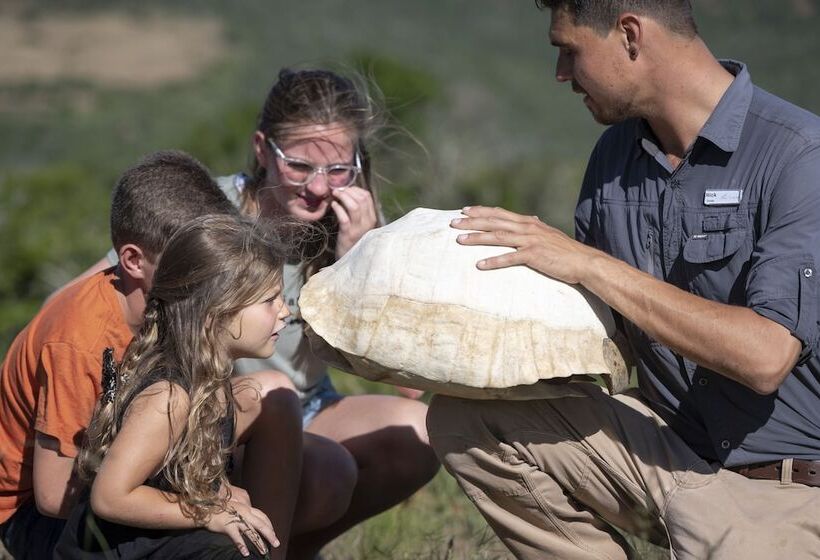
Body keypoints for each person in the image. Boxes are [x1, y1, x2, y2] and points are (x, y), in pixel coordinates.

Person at [427, 2, 820, 559]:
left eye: (569, 51)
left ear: (630, 35)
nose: (561, 74)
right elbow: (602, 340)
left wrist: (590, 265)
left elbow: (764, 358)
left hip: (784, 492)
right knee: (468, 416)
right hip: (672, 462)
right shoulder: (614, 157)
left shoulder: (801, 155)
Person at [0, 151, 304, 559]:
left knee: (274, 397)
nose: (208, 268)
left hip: (126, 474)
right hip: (43, 519)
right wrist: (201, 504)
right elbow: (54, 497)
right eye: (190, 258)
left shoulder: (178, 314)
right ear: (133, 260)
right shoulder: (81, 339)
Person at [227, 68, 439, 557]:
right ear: (263, 150)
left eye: (338, 170)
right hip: (219, 415)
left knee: (420, 432)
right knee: (324, 473)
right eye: (299, 166)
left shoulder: (353, 226)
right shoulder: (210, 207)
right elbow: (103, 294)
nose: (319, 188)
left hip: (308, 410)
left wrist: (359, 260)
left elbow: (409, 382)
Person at [54, 214, 292, 559]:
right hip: (116, 551)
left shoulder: (209, 378)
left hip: (156, 545)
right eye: (270, 300)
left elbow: (182, 471)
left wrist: (223, 495)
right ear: (215, 312)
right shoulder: (168, 396)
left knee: (245, 538)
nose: (284, 312)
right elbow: (110, 497)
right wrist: (209, 511)